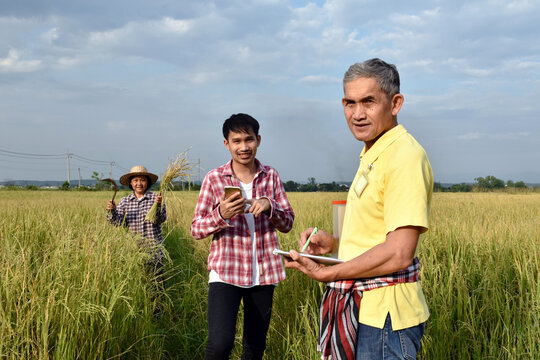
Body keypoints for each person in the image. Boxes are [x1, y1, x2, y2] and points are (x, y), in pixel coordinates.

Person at [284, 58, 433, 360]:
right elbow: (378, 233)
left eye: (368, 102)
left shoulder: (403, 156)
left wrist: (331, 273)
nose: (358, 114)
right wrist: (335, 243)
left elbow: (399, 252)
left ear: (395, 103)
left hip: (386, 319)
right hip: (366, 312)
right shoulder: (373, 153)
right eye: (350, 103)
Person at [191, 113, 295, 360]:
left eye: (249, 140)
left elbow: (288, 223)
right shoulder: (214, 179)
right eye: (236, 141)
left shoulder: (271, 176)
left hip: (264, 272)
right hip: (226, 271)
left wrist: (269, 205)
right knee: (220, 344)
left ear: (258, 140)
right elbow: (196, 229)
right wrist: (221, 214)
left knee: (255, 346)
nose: (244, 147)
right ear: (226, 144)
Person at [107, 165, 166, 275]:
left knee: (157, 288)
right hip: (133, 252)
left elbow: (160, 219)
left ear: (147, 182)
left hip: (154, 252)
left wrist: (158, 206)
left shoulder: (156, 199)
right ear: (130, 183)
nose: (139, 183)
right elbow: (116, 222)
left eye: (143, 180)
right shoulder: (125, 201)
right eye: (135, 180)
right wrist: (112, 211)